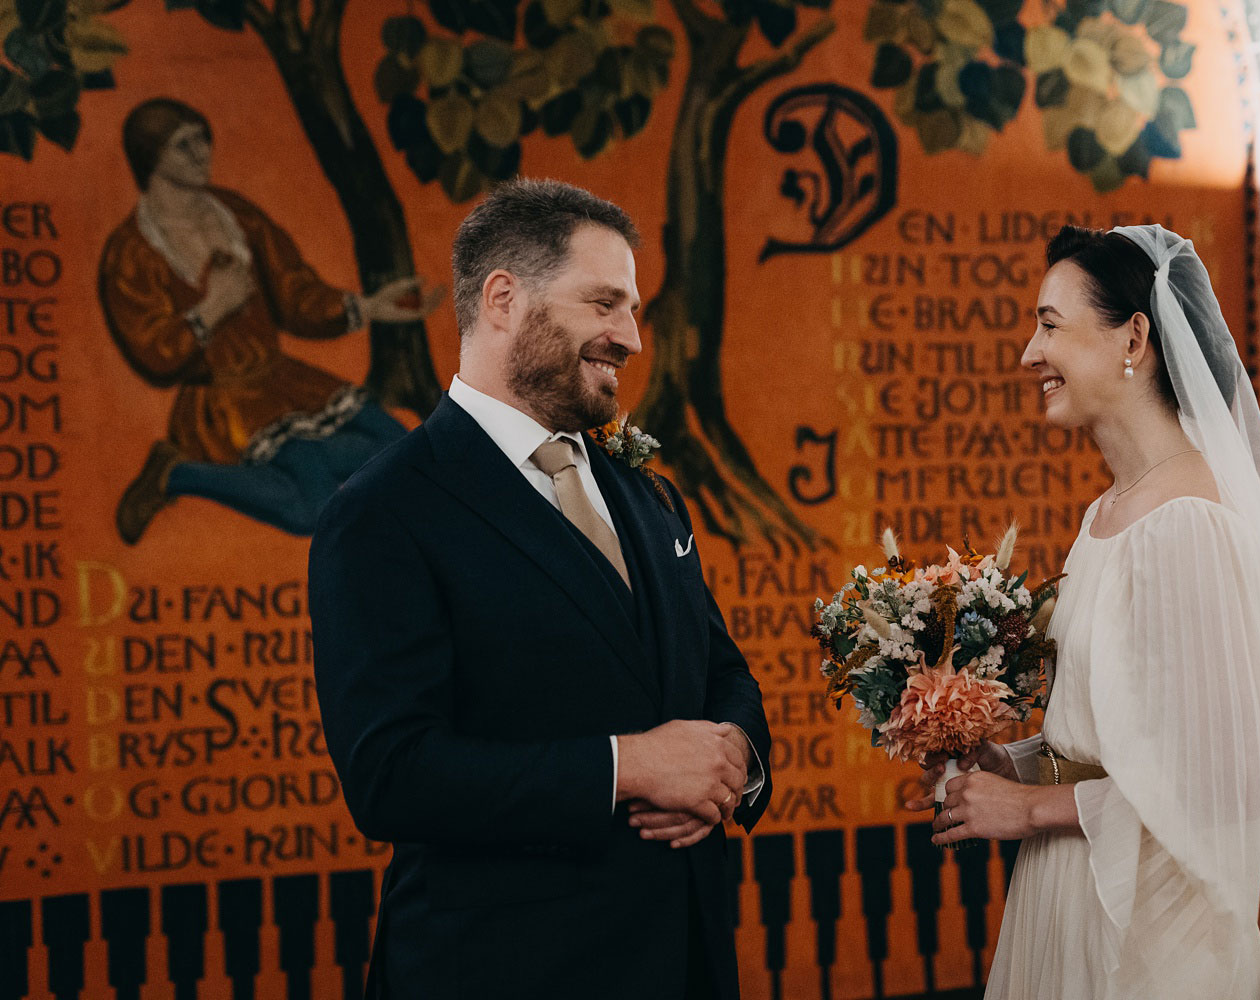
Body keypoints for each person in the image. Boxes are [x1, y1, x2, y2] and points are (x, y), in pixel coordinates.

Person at [905, 225, 1260, 998]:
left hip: (1154, 933)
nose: (1027, 355)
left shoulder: (1189, 524)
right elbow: (1130, 733)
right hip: (1073, 890)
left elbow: (1218, 783)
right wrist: (1018, 762)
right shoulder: (1108, 513)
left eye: (1048, 325)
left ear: (1132, 336)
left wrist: (1031, 811)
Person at [309, 178, 771, 1000]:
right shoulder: (384, 511)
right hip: (507, 968)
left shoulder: (644, 489)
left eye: (631, 310)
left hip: (687, 962)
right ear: (501, 299)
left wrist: (735, 759)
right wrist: (626, 766)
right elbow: (391, 774)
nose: (630, 337)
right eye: (604, 304)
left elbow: (720, 673)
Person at [99, 97, 442, 543]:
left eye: (204, 139)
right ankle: (179, 474)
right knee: (313, 510)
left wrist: (367, 307)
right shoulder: (131, 251)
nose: (202, 152)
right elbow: (153, 352)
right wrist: (212, 309)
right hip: (226, 405)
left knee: (400, 451)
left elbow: (293, 293)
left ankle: (278, 463)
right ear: (150, 156)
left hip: (286, 381)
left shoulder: (234, 213)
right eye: (184, 145)